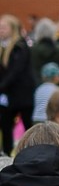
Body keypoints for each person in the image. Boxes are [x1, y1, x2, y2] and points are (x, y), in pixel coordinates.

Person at [0, 14, 36, 154]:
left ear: (12, 29)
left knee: (28, 126)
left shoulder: (20, 47)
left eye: (3, 27)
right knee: (6, 126)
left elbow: (16, 71)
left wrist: (2, 86)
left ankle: (31, 152)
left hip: (22, 94)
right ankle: (7, 153)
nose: (1, 30)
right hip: (7, 95)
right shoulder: (3, 46)